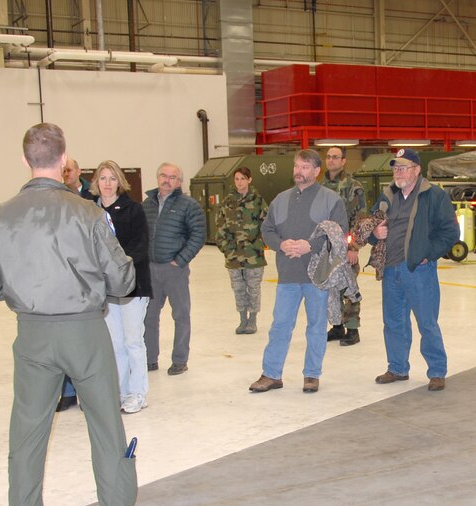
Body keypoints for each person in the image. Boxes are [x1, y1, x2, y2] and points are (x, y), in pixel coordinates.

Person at [0, 123, 142, 506]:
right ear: (65, 161)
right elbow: (122, 280)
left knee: (27, 430)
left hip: (32, 334)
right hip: (84, 330)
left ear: (25, 159)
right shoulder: (87, 214)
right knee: (104, 419)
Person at [249, 149, 346, 394]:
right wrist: (280, 244)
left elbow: (339, 235)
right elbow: (267, 229)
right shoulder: (280, 199)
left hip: (318, 276)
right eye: (296, 166)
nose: (299, 172)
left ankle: (312, 375)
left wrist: (309, 246)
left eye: (304, 167)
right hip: (288, 274)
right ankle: (271, 374)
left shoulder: (331, 199)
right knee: (280, 325)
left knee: (315, 325)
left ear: (316, 171)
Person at [370, 148, 459, 392]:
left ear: (417, 170)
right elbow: (370, 224)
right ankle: (397, 367)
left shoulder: (434, 196)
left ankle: (437, 371)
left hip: (419, 270)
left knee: (427, 322)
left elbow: (450, 232)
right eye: (395, 168)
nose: (398, 172)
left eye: (403, 167)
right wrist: (375, 233)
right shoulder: (387, 195)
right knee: (393, 322)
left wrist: (427, 255)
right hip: (390, 270)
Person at [94, 160, 152, 414]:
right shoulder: (89, 211)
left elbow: (140, 247)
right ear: (96, 182)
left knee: (132, 342)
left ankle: (138, 393)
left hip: (132, 286)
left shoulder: (133, 210)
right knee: (114, 344)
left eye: (112, 178)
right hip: (105, 288)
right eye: (103, 178)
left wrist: (116, 266)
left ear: (120, 182)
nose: (107, 184)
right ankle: (119, 392)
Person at [142, 162, 206, 375]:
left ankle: (180, 360)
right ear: (157, 177)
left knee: (180, 314)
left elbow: (198, 235)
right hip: (151, 270)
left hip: (174, 270)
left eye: (172, 177)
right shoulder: (147, 205)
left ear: (179, 182)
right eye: (163, 175)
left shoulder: (189, 205)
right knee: (149, 316)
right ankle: (150, 358)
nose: (167, 180)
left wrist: (180, 260)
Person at [321, 146, 367, 346]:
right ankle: (337, 326)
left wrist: (353, 247)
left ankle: (353, 329)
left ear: (343, 161)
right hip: (326, 249)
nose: (331, 160)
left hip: (346, 247)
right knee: (331, 289)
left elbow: (360, 219)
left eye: (336, 157)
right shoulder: (320, 187)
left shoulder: (353, 185)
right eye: (329, 157)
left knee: (349, 287)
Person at [215, 166, 268, 335]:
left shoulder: (258, 200)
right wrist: (226, 249)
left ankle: (252, 319)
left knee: (253, 288)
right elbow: (220, 227)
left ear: (249, 180)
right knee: (238, 288)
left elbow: (266, 224)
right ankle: (242, 319)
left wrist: (261, 243)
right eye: (237, 179)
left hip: (254, 255)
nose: (240, 182)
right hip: (233, 255)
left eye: (243, 178)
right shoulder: (227, 202)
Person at [56, 156, 85, 412]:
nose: (66, 174)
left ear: (78, 171)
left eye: (69, 170)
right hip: (61, 276)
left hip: (87, 276)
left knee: (86, 340)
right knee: (63, 340)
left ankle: (87, 392)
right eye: (62, 170)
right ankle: (67, 392)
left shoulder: (92, 197)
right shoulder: (52, 197)